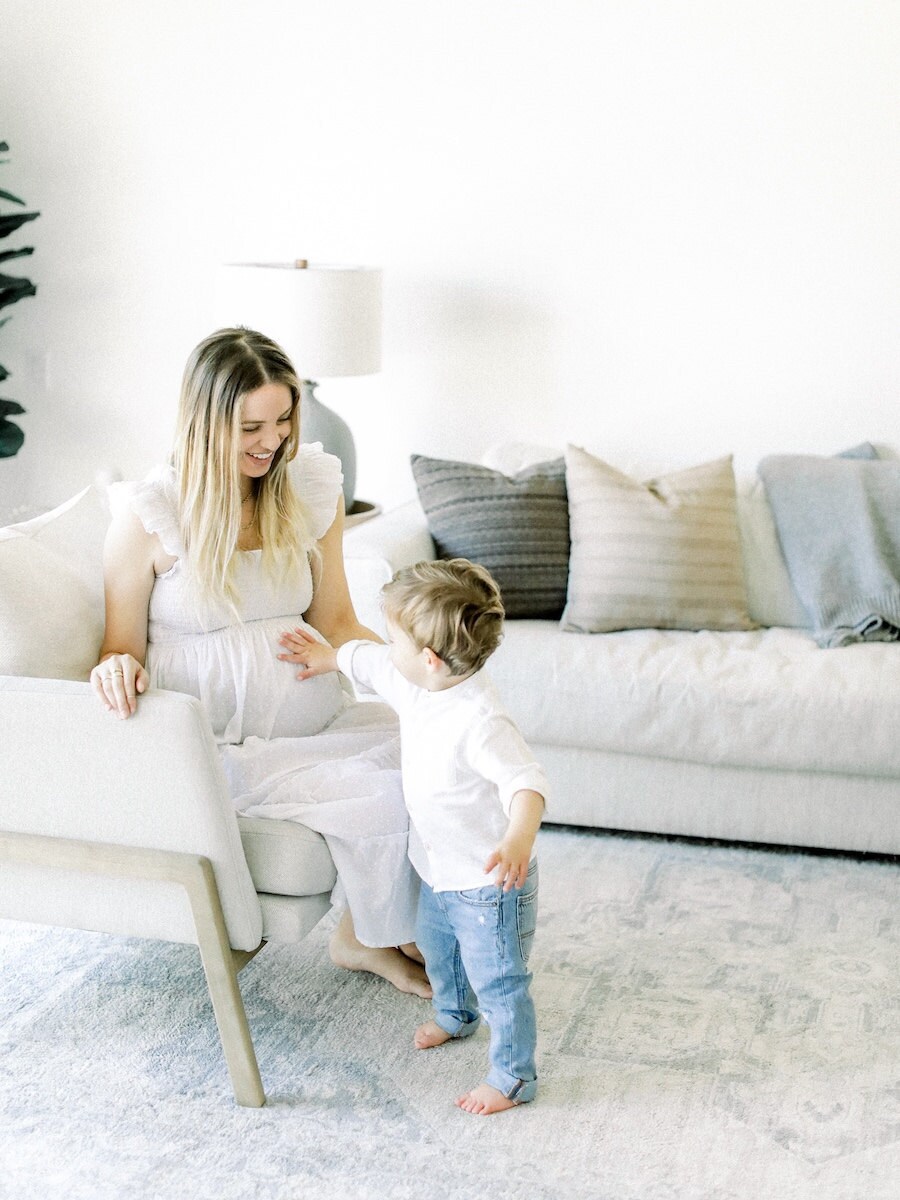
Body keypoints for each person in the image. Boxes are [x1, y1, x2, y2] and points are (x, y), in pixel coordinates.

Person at [90, 327, 429, 999]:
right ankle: (377, 932)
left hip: (313, 722)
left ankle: (371, 931)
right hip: (220, 745)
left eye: (282, 419)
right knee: (382, 793)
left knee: (434, 749)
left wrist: (407, 676)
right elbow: (119, 645)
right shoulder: (151, 515)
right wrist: (111, 669)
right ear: (203, 419)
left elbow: (334, 619)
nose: (271, 440)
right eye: (250, 425)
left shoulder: (307, 489)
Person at [278, 558, 547, 1115]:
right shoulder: (419, 681)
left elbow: (526, 782)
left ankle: (513, 1077)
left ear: (428, 658)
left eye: (395, 638)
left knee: (499, 981)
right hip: (437, 869)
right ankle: (454, 1015)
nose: (387, 646)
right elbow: (369, 660)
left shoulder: (481, 719)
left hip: (488, 883)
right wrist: (328, 657)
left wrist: (519, 839)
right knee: (438, 951)